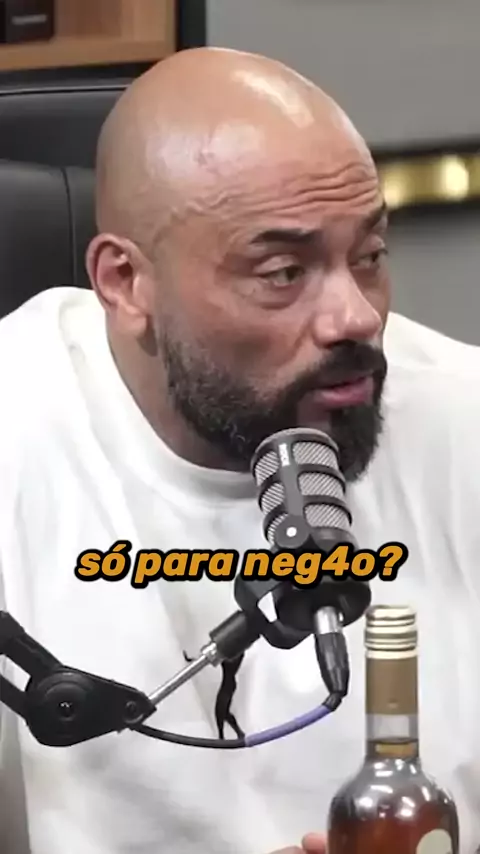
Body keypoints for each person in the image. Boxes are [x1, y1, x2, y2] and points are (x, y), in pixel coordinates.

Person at [0, 46, 480, 854]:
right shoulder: (17, 437)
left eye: (369, 256)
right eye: (284, 272)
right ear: (125, 282)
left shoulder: (464, 418)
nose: (357, 317)